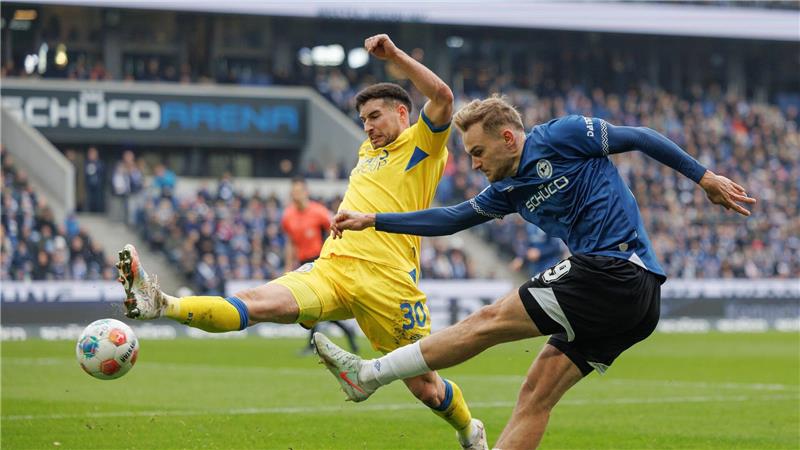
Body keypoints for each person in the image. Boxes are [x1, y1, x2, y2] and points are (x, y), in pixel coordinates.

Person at [314, 95, 756, 449]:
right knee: (535, 395)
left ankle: (369, 375)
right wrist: (375, 220)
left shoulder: (562, 135)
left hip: (613, 270)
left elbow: (640, 135)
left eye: (478, 152)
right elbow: (450, 218)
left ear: (508, 137)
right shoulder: (505, 190)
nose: (474, 165)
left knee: (486, 322)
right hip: (632, 301)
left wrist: (705, 178)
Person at [115, 34, 488, 450]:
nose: (367, 126)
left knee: (427, 390)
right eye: (363, 118)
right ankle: (163, 304)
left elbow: (442, 94)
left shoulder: (422, 145)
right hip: (332, 269)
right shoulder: (368, 150)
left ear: (403, 113)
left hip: (389, 283)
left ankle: (469, 432)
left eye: (375, 116)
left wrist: (395, 56)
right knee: (257, 303)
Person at [281, 176, 359, 355]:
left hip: (319, 261)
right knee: (314, 307)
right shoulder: (288, 216)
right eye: (293, 191)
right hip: (303, 263)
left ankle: (312, 345)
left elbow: (336, 229)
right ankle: (346, 331)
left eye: (299, 190)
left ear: (306, 192)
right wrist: (288, 264)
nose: (296, 194)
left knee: (315, 305)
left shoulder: (318, 211)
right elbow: (290, 242)